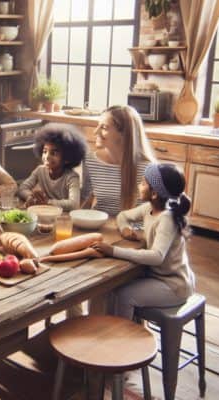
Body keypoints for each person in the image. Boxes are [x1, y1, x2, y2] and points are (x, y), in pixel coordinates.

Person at [91, 163, 196, 320]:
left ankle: (122, 338)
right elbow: (123, 216)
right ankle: (109, 329)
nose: (139, 186)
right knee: (112, 290)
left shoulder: (166, 218)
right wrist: (125, 229)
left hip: (173, 285)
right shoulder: (149, 208)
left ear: (154, 193)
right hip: (159, 278)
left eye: (142, 183)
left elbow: (156, 256)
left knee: (124, 295)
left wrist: (113, 251)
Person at [81, 105, 157, 216]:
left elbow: (157, 213)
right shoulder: (90, 161)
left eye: (104, 127)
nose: (95, 132)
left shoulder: (150, 169)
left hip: (135, 231)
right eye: (98, 126)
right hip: (101, 227)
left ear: (124, 134)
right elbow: (84, 199)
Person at [18, 123, 87, 211]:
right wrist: (31, 197)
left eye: (53, 153)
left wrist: (47, 202)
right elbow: (22, 188)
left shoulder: (72, 177)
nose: (47, 156)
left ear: (67, 158)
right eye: (45, 151)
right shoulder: (40, 170)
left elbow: (74, 204)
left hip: (63, 217)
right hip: (44, 212)